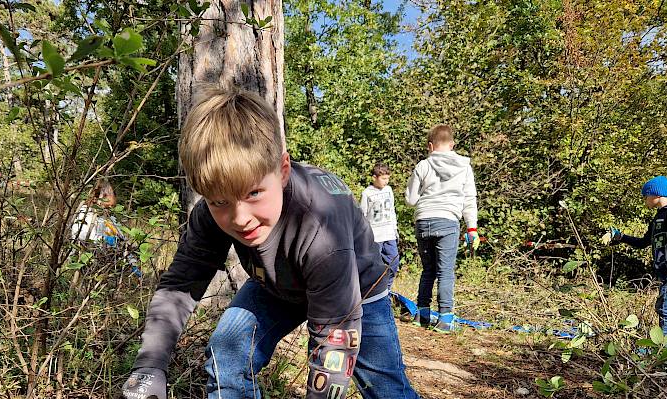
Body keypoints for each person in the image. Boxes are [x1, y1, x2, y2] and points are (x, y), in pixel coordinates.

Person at [121, 87, 419, 399]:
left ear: (283, 170)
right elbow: (181, 284)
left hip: (356, 289)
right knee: (227, 356)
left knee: (386, 389)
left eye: (253, 194)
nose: (240, 218)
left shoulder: (318, 224)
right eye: (220, 201)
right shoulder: (211, 214)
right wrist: (150, 366)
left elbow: (333, 341)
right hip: (278, 286)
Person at [604, 176, 667, 349]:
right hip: (665, 270)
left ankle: (661, 349)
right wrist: (621, 237)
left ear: (657, 194)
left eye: (646, 196)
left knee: (665, 309)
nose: (645, 200)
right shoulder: (658, 218)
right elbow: (643, 242)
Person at [404, 124, 478, 332]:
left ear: (430, 145)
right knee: (445, 272)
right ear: (452, 145)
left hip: (424, 220)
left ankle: (422, 315)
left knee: (428, 270)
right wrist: (472, 228)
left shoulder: (423, 166)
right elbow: (469, 199)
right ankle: (445, 319)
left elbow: (410, 200)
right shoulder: (464, 166)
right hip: (447, 220)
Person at [360, 162, 400, 290]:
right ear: (374, 177)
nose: (386, 181)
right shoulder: (367, 193)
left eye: (388, 178)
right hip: (375, 236)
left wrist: (395, 229)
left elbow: (392, 210)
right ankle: (375, 290)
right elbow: (363, 215)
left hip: (389, 233)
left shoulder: (388, 190)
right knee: (375, 265)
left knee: (393, 261)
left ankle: (387, 288)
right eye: (383, 178)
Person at [71, 178, 121, 245]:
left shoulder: (108, 218)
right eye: (107, 207)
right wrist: (104, 240)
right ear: (95, 198)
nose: (108, 211)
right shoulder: (85, 214)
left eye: (111, 208)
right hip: (84, 253)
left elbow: (119, 234)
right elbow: (82, 234)